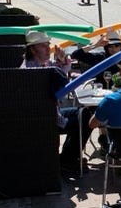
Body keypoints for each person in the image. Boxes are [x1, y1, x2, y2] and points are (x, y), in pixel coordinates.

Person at [20, 31, 92, 180]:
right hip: (46, 119)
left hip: (51, 113)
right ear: (32, 49)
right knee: (86, 118)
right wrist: (63, 66)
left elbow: (57, 69)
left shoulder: (40, 64)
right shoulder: (33, 71)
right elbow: (61, 86)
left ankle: (68, 157)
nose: (48, 49)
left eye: (48, 45)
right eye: (43, 46)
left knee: (84, 113)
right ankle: (67, 160)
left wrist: (62, 60)